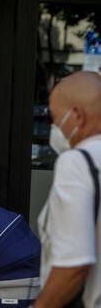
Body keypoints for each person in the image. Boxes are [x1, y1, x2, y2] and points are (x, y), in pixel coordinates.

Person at [34, 71, 101, 308]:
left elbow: (74, 264)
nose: (53, 126)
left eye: (54, 116)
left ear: (78, 115)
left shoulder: (78, 162)